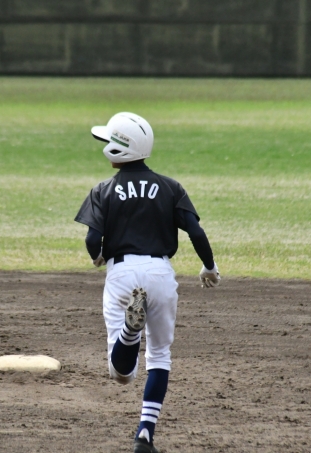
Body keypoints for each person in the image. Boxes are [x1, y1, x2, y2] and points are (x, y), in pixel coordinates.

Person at [74, 112, 221, 453]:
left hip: (122, 274)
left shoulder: (103, 189)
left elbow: (92, 238)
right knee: (159, 356)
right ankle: (145, 434)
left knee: (121, 373)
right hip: (160, 274)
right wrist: (209, 267)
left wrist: (97, 256)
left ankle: (130, 332)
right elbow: (196, 231)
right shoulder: (170, 187)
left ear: (119, 148)